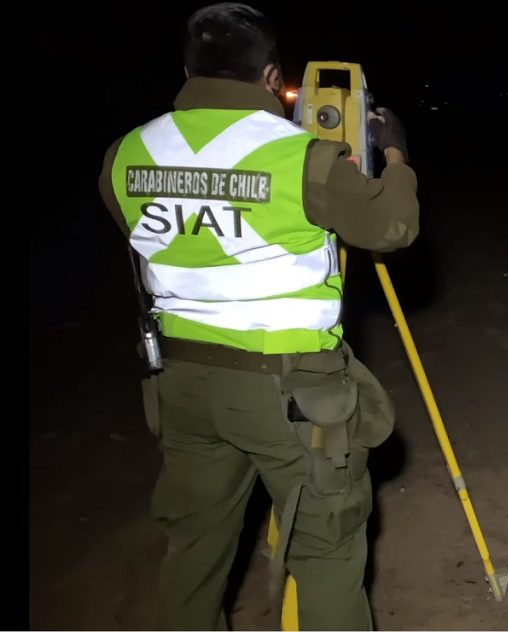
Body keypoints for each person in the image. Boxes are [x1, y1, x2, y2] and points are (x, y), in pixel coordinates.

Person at [97, 3, 419, 629]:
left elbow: (143, 235)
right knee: (326, 554)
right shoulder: (300, 156)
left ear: (189, 68)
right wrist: (397, 155)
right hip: (290, 389)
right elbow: (392, 227)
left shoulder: (124, 153)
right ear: (272, 78)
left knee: (193, 552)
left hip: (182, 385)